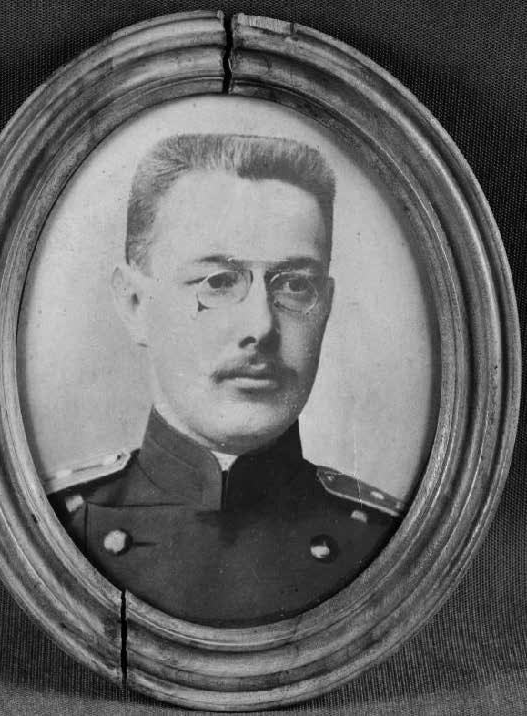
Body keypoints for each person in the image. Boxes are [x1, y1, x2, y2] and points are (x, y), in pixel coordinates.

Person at [49, 133, 405, 626]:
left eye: (295, 284)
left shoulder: (387, 539)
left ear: (325, 307)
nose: (261, 327)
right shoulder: (54, 525)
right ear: (134, 304)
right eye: (217, 281)